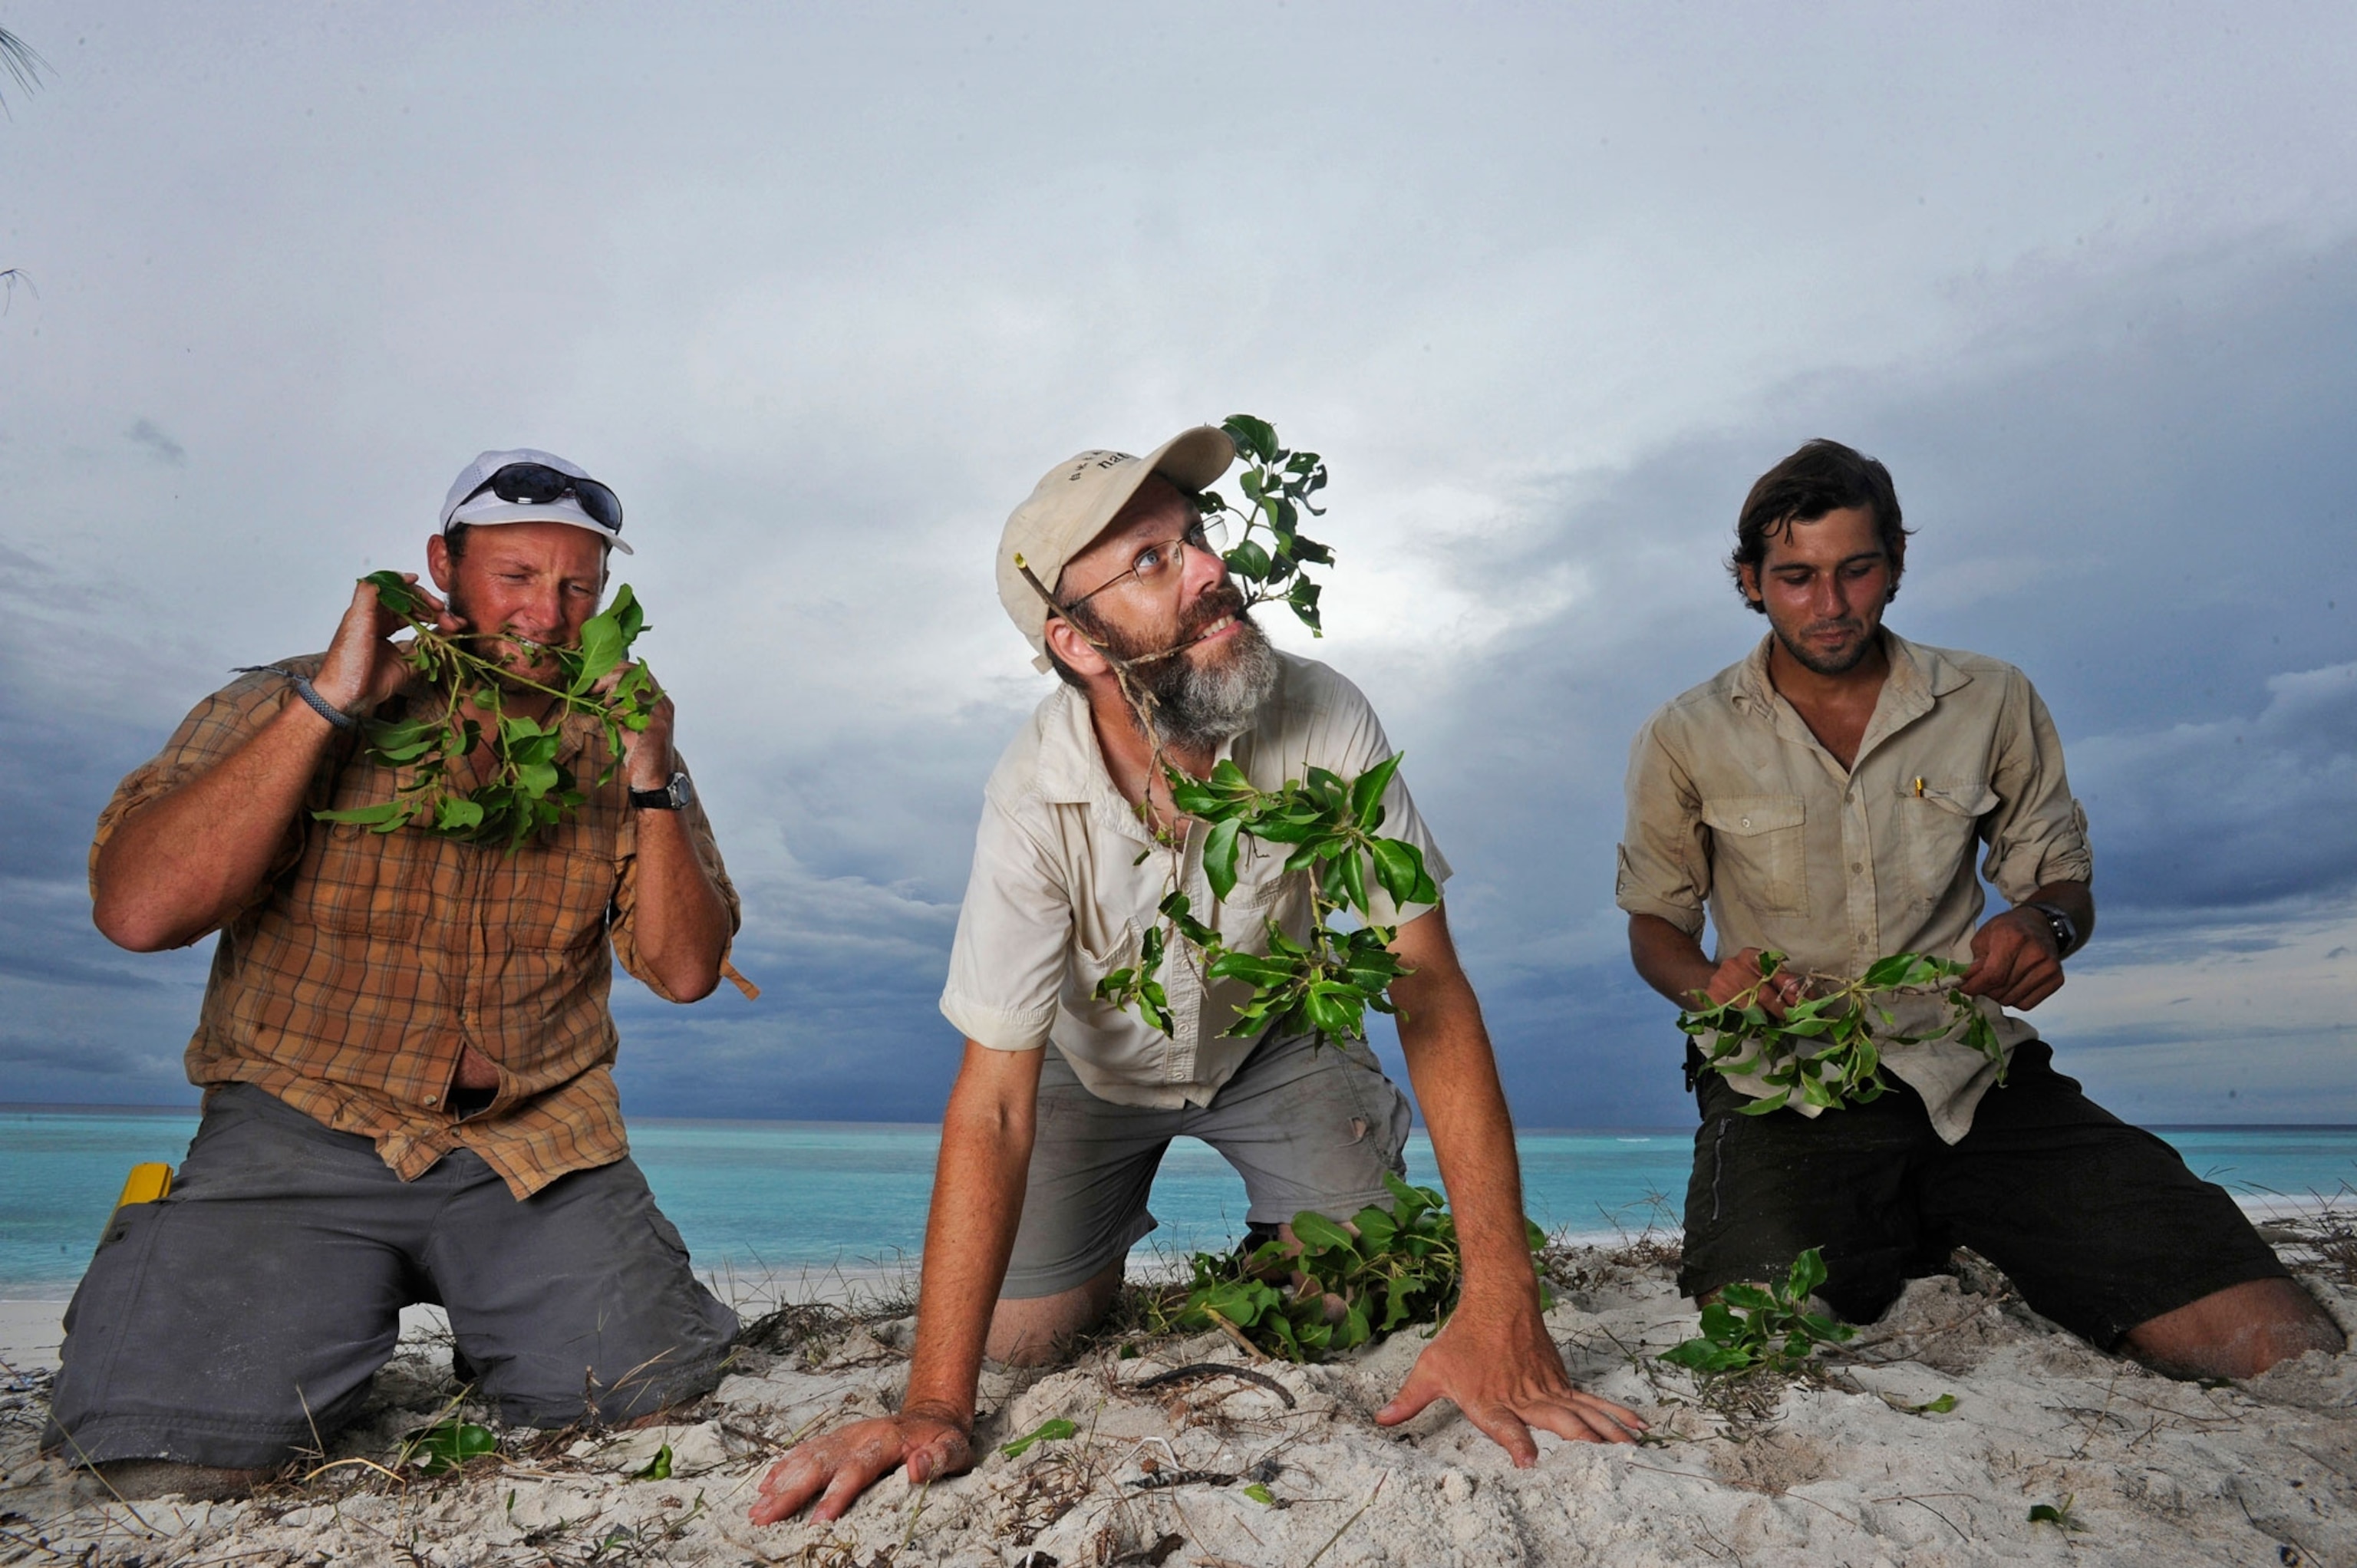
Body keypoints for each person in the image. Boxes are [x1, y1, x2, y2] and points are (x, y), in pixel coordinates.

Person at [752, 427, 1643, 1526]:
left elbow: (1428, 988)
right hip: (1096, 1068)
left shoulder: (1326, 715)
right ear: (1078, 644)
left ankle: (1288, 1234)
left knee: (1341, 1311)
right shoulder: (1034, 795)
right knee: (1027, 1345)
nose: (1213, 571)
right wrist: (935, 1403)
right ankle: (1100, 1244)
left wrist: (1505, 1302)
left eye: (1195, 539)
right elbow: (992, 1100)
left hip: (1279, 1042)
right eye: (1150, 563)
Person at [46, 450, 750, 1497]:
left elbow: (689, 972)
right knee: (162, 1461)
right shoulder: (286, 700)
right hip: (303, 1126)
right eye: (516, 577)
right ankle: (174, 1258)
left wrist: (653, 778)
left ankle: (505, 1308)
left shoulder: (623, 741)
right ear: (442, 567)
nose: (549, 616)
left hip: (536, 1143)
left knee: (645, 1402)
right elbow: (140, 915)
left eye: (578, 588)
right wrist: (328, 705)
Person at [1615, 437, 2341, 1378]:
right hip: (1782, 1087)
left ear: (1896, 567)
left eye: (1856, 570)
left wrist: (2045, 928)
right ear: (1751, 582)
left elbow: (2061, 883)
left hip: (1971, 1073)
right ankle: (1901, 1228)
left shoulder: (1990, 697)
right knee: (1761, 1345)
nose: (1829, 606)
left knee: (2279, 1344)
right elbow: (1653, 925)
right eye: (1796, 577)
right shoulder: (1684, 732)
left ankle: (1941, 1214)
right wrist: (1713, 983)